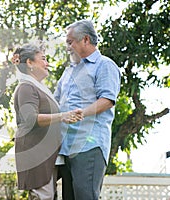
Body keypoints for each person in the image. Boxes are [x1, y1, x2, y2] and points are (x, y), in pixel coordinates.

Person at [54, 19, 121, 200]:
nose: (68, 47)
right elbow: (55, 101)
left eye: (70, 42)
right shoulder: (69, 71)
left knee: (86, 196)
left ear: (85, 40)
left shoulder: (105, 65)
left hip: (89, 145)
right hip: (67, 147)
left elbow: (107, 100)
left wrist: (81, 113)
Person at [12, 43, 83, 200]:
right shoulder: (26, 87)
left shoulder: (39, 88)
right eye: (43, 59)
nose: (47, 63)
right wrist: (62, 116)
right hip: (36, 155)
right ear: (29, 63)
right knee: (43, 197)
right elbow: (31, 119)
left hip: (46, 155)